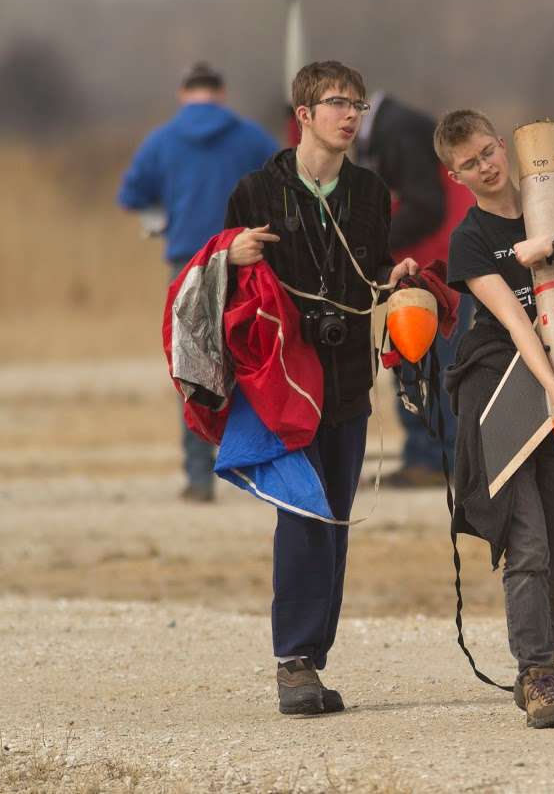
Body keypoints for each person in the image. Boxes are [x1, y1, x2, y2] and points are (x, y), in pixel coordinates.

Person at [222, 60, 418, 716]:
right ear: (303, 114)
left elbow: (377, 266)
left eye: (358, 104)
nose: (351, 115)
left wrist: (401, 275)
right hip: (285, 381)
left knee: (333, 519)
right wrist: (231, 253)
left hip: (349, 379)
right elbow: (213, 273)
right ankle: (294, 660)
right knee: (303, 514)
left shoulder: (369, 191)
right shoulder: (258, 189)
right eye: (337, 103)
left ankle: (311, 660)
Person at [437, 109, 554, 729]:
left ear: (502, 145)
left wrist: (553, 248)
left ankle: (539, 664)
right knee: (531, 545)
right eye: (471, 163)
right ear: (455, 174)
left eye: (490, 151)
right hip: (502, 387)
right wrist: (551, 387)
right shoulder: (468, 240)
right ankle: (539, 675)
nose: (487, 166)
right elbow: (513, 321)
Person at [117, 61, 278, 503]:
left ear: (182, 92)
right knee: (253, 364)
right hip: (246, 261)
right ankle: (258, 471)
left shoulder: (161, 141)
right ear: (221, 93)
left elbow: (130, 195)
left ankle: (198, 477)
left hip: (189, 266)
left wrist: (162, 216)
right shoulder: (250, 137)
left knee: (193, 368)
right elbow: (284, 179)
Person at [354, 93, 474, 487]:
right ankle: (437, 456)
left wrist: (369, 244)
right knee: (424, 360)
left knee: (427, 360)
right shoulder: (394, 125)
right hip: (437, 262)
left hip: (434, 266)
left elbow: (425, 206)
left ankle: (435, 459)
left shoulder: (397, 131)